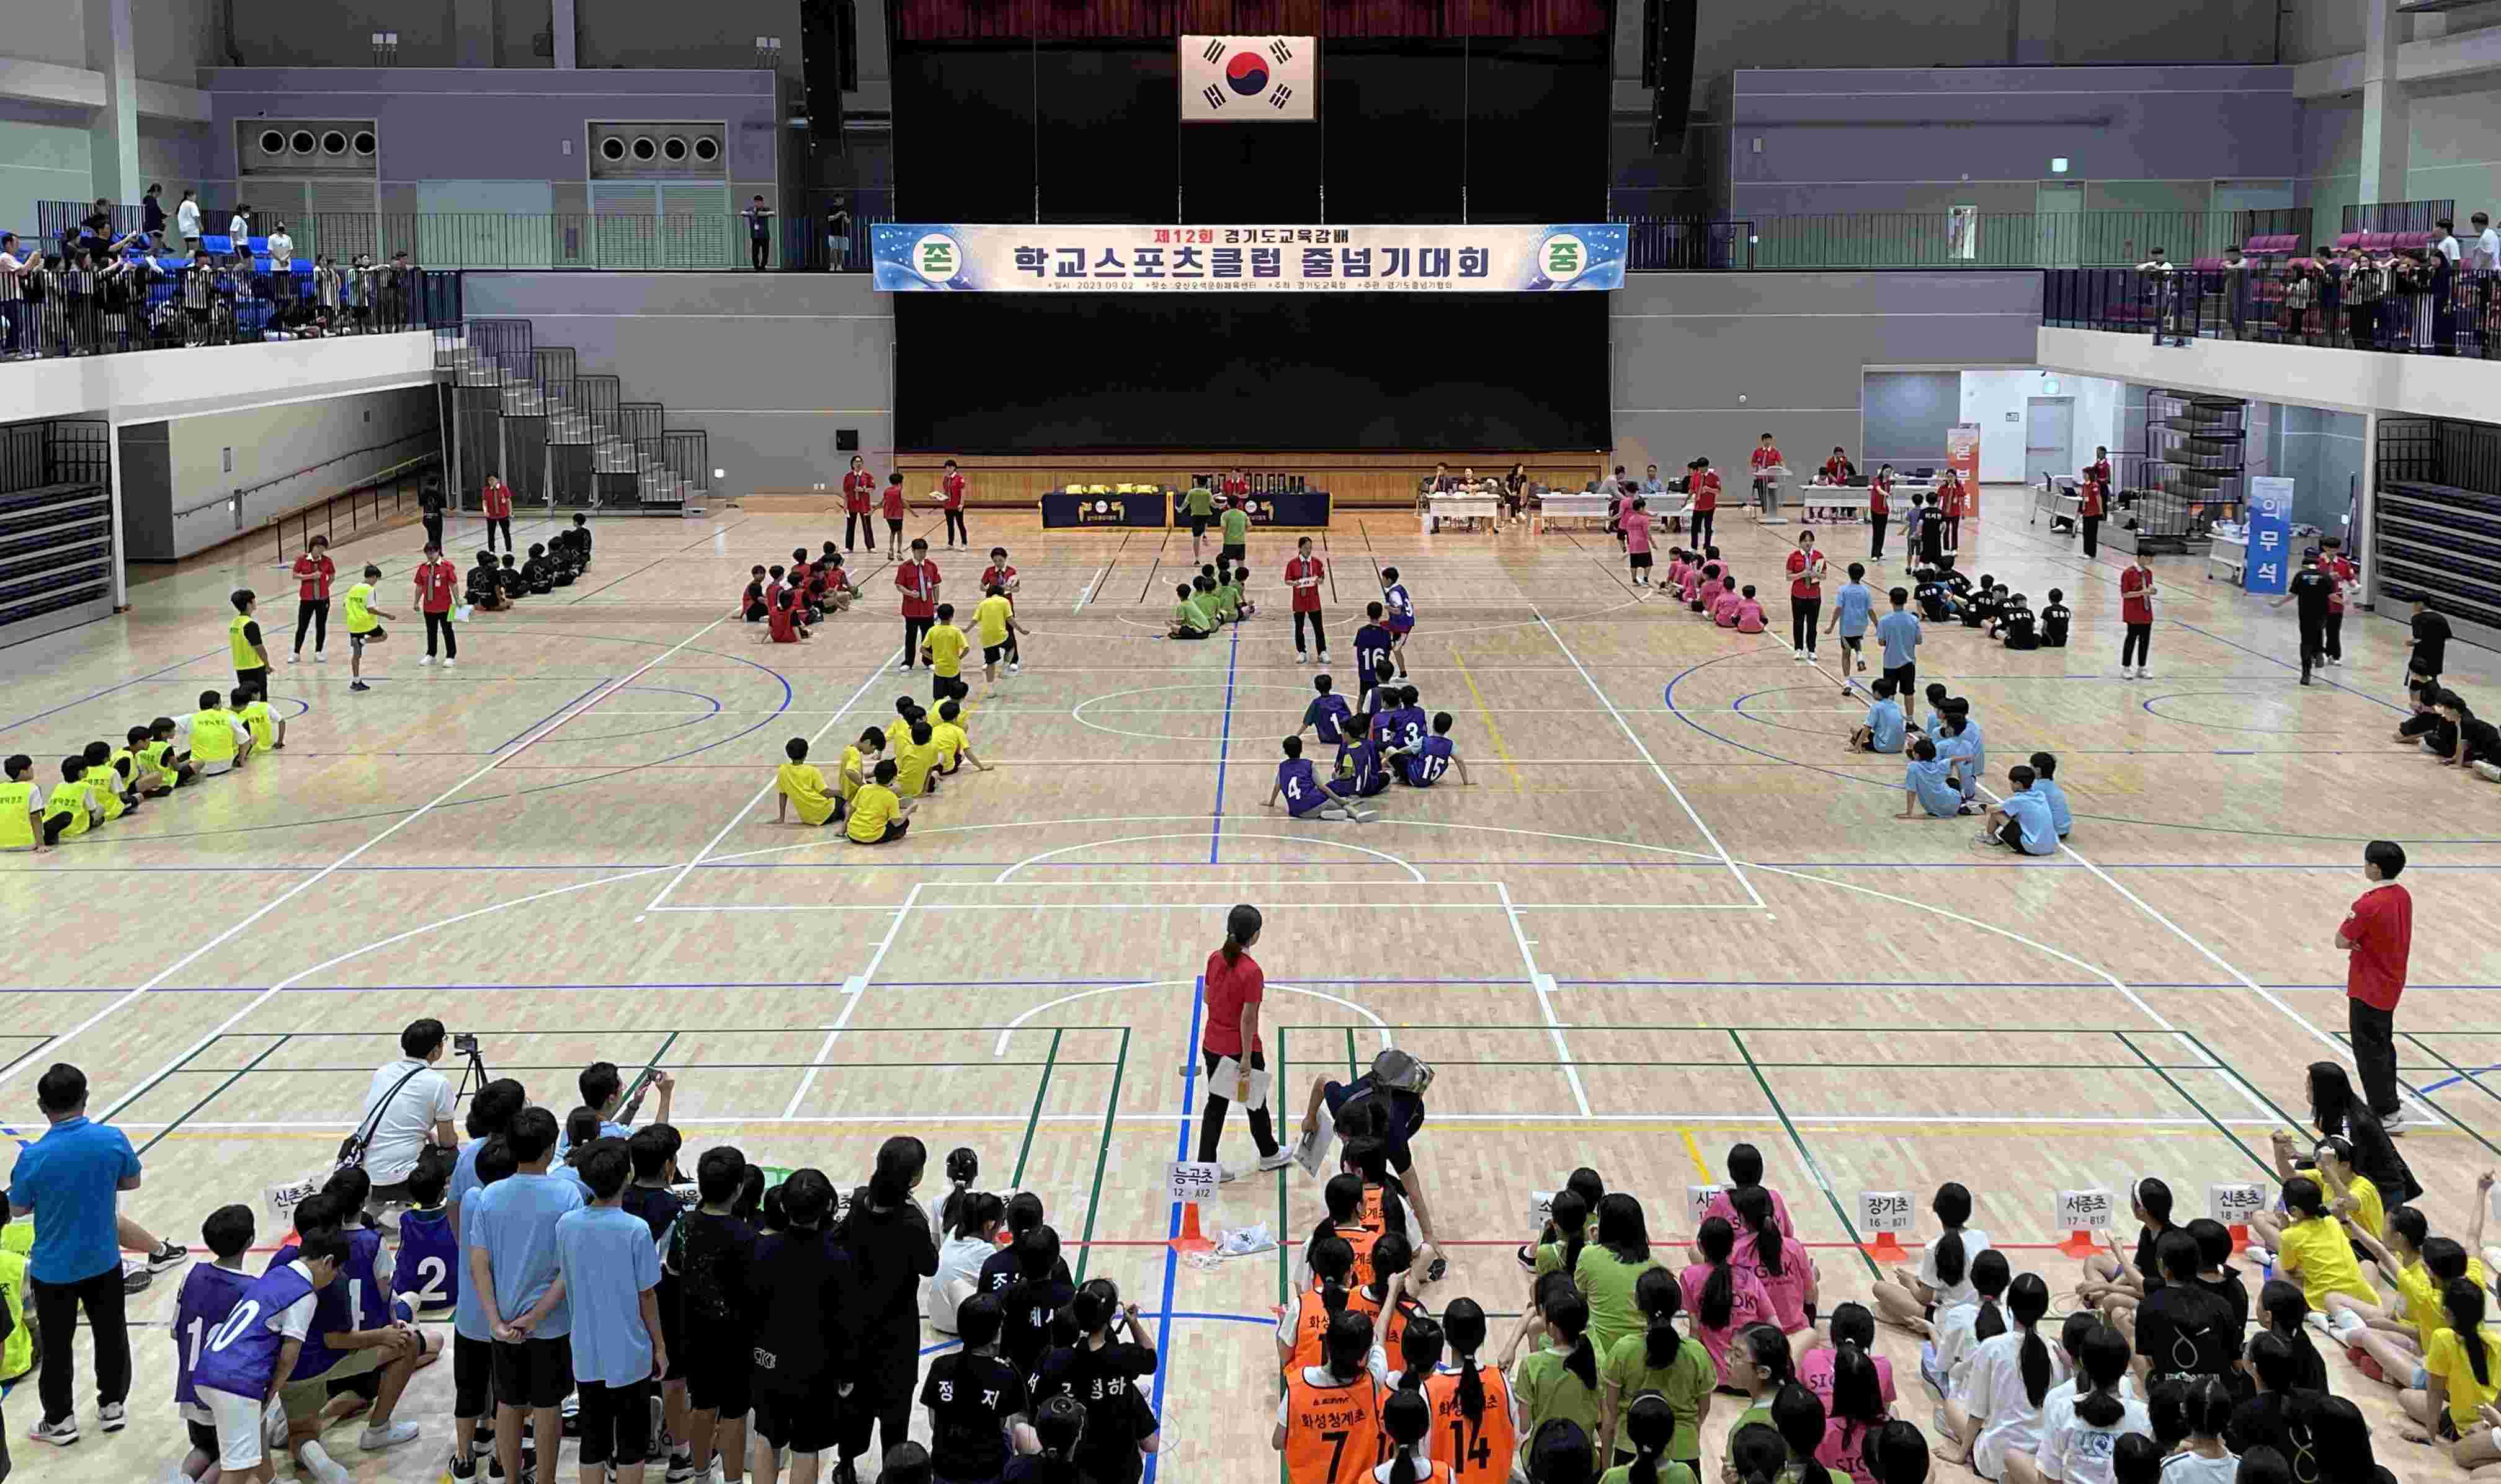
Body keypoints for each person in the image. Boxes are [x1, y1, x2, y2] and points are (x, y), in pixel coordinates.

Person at [9, 1062, 184, 1447]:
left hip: (53, 1271)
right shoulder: (111, 1139)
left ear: (42, 1106)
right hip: (104, 1262)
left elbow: (19, 1208)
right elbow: (132, 1180)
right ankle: (112, 1407)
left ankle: (60, 1420)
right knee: (111, 1335)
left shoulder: (34, 1158)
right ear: (86, 1099)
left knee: (57, 1347)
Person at [552, 1142, 664, 1484]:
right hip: (629, 1350)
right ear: (627, 1177)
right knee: (631, 1441)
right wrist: (660, 1345)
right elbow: (647, 1295)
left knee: (593, 1438)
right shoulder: (635, 1229)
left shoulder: (567, 1225)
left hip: (586, 1349)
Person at [751, 1169, 858, 1484]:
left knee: (766, 1436)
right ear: (828, 1207)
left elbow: (752, 1307)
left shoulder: (762, 1249)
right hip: (815, 1369)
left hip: (766, 1361)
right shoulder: (836, 1260)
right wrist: (846, 1372)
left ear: (783, 1207)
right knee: (806, 1447)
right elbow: (844, 1323)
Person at [667, 1145, 757, 1484]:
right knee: (734, 1413)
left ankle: (702, 1475)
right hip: (736, 1342)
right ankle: (733, 1481)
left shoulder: (685, 1226)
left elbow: (674, 1271)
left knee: (702, 1407)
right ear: (738, 1189)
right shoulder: (748, 1237)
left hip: (694, 1336)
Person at [1198, 904, 1292, 1176]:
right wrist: (1247, 1058)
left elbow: (1207, 997)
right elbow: (1248, 1019)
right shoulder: (1252, 972)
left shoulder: (1215, 958)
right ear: (1254, 936)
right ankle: (1268, 1153)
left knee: (1217, 1106)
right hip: (1238, 1049)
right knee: (1255, 1101)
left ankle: (1210, 1163)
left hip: (1212, 1044)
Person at [2335, 840, 2414, 1129]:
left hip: (2369, 983)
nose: (2365, 866)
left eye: (2367, 862)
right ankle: (2388, 1102)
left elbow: (2341, 940)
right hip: (2392, 980)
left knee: (2369, 1050)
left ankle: (2386, 1112)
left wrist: (2355, 942)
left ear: (2376, 868)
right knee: (2382, 1044)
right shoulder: (2402, 896)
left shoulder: (2367, 903)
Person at [353, 1019, 459, 1214]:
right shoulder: (438, 1083)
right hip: (402, 1181)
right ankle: (414, 1204)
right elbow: (447, 1140)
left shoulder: (383, 1073)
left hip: (364, 1178)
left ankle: (378, 1207)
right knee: (452, 1154)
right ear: (436, 1051)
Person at [2271, 551, 2337, 685]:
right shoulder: (2325, 576)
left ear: (2304, 566)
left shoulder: (2300, 576)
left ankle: (2306, 674)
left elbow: (2293, 594)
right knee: (2319, 633)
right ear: (2318, 565)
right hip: (2322, 614)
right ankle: (2319, 652)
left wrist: (2279, 603)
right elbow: (2332, 596)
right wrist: (2344, 603)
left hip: (2306, 614)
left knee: (2306, 642)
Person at [1984, 765, 2059, 856]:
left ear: (2018, 784)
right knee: (2014, 815)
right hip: (2051, 846)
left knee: (1997, 814)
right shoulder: (2041, 795)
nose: (2010, 784)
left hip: (2033, 849)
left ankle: (1988, 836)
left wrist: (1977, 807)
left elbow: (1991, 809)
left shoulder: (2018, 800)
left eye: (2011, 782)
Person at [341, 564, 393, 693]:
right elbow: (371, 609)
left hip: (353, 624)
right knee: (384, 636)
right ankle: (363, 641)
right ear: (373, 577)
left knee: (356, 655)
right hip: (367, 623)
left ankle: (356, 681)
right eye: (376, 579)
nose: (376, 582)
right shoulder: (369, 589)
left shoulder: (353, 588)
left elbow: (344, 604)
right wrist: (387, 615)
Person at [1827, 562, 1876, 683]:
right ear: (1862, 575)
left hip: (1847, 626)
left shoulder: (1843, 590)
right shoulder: (1866, 591)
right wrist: (1878, 625)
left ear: (1849, 574)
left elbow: (1839, 609)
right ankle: (1860, 657)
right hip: (1861, 624)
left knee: (1846, 653)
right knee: (1857, 639)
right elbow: (1870, 610)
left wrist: (1832, 626)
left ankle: (1847, 681)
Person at [1286, 536, 1331, 665]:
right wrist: (1294, 583)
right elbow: (1287, 580)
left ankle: (1322, 652)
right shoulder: (1292, 564)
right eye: (1306, 548)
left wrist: (1319, 581)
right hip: (1299, 601)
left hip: (1313, 600)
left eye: (1310, 548)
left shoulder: (1317, 563)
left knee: (1318, 627)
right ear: (1300, 548)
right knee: (1299, 627)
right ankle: (1302, 652)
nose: (1308, 551)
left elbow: (1322, 579)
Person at [413, 543, 459, 668]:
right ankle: (431, 654)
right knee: (431, 631)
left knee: (447, 630)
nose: (430, 556)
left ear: (438, 552)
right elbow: (419, 586)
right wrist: (416, 602)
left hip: (446, 605)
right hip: (429, 606)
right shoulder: (423, 568)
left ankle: (451, 656)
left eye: (432, 553)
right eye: (428, 553)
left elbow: (453, 584)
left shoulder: (447, 567)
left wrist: (458, 600)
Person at [1786, 531, 1826, 663]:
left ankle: (1812, 650)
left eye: (1810, 540)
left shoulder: (1819, 556)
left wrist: (1817, 575)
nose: (1808, 543)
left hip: (1814, 595)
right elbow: (1788, 576)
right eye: (1805, 541)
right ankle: (1798, 649)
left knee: (1812, 624)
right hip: (1798, 595)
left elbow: (1824, 575)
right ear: (1800, 542)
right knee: (1798, 623)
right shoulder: (1794, 557)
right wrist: (1802, 574)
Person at [842, 455, 877, 551]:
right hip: (851, 504)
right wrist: (845, 504)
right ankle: (849, 547)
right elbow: (845, 492)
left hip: (864, 504)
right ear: (852, 464)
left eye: (860, 461)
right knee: (850, 526)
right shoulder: (848, 477)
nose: (858, 464)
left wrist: (863, 489)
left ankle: (871, 546)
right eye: (856, 462)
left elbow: (873, 488)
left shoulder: (867, 476)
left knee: (867, 526)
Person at [480, 473, 514, 553]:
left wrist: (510, 512)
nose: (491, 482)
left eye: (493, 479)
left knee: (506, 533)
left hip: (503, 514)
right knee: (491, 534)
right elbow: (484, 502)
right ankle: (492, 551)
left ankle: (509, 550)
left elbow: (508, 501)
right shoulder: (486, 490)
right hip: (491, 516)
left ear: (497, 480)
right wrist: (485, 511)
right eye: (489, 480)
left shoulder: (504, 489)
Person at [744, 195, 774, 272]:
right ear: (754, 202)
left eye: (759, 202)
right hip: (755, 236)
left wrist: (764, 214)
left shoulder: (765, 209)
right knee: (755, 253)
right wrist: (749, 214)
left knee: (765, 252)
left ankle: (763, 266)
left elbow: (773, 213)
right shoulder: (751, 210)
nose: (758, 204)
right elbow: (743, 212)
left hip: (765, 236)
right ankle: (756, 267)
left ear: (762, 203)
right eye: (756, 202)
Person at [881, 471, 909, 549]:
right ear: (900, 482)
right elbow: (904, 503)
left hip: (888, 515)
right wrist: (912, 512)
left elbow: (882, 503)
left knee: (893, 532)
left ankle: (891, 548)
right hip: (898, 516)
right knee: (899, 532)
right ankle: (899, 550)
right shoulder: (899, 491)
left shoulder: (887, 490)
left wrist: (873, 510)